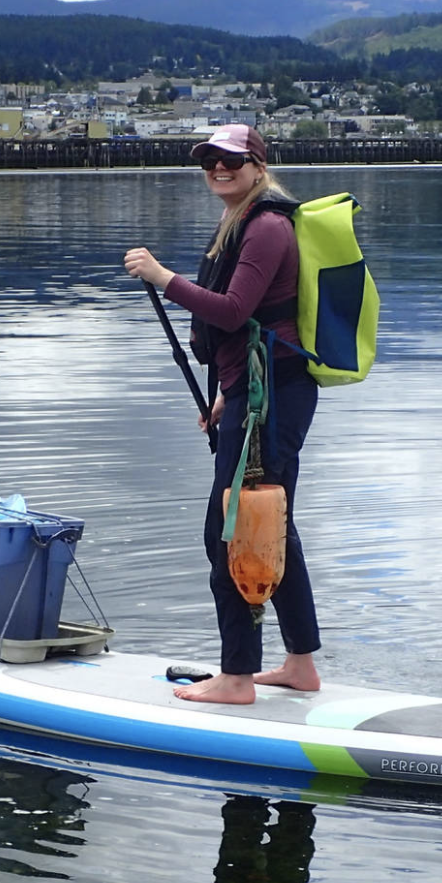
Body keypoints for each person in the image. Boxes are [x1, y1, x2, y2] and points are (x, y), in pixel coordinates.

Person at [123, 124, 324, 705]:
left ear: (258, 166)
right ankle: (300, 666)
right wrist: (227, 395)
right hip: (257, 394)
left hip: (272, 398)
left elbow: (234, 313)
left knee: (232, 529)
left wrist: (164, 279)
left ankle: (237, 676)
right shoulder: (242, 220)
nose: (218, 168)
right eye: (209, 160)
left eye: (231, 160)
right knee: (272, 526)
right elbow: (251, 328)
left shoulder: (264, 226)